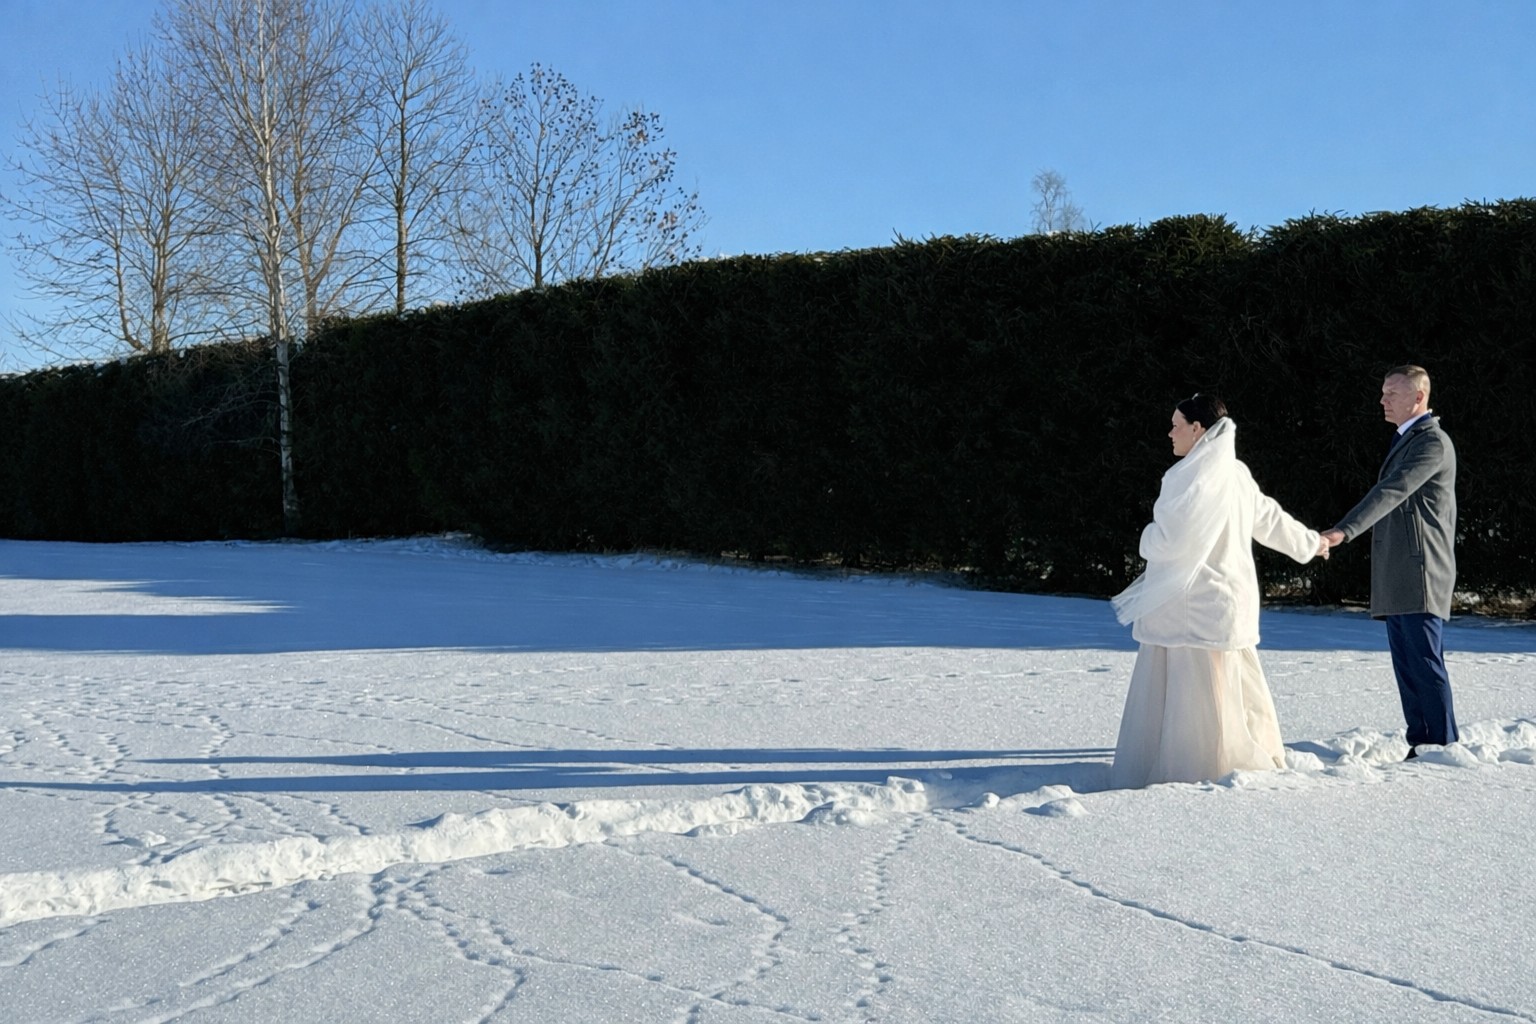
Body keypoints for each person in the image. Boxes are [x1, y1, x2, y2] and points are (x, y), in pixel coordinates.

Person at [1109, 394, 1330, 788]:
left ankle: (1185, 765)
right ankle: (1233, 755)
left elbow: (1170, 539)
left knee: (1185, 689)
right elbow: (1269, 519)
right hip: (1228, 601)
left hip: (1187, 607)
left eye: (1177, 423)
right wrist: (1309, 543)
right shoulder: (1236, 473)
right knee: (1228, 685)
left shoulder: (1184, 477)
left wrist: (1144, 540)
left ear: (1198, 430)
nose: (1170, 431)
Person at [1321, 365, 1457, 759]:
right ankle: (1422, 741)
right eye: (1383, 392)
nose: (1383, 400)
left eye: (1392, 393)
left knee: (1425, 664)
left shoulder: (1431, 443)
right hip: (1399, 574)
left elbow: (1392, 491)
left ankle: (1442, 745)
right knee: (1408, 666)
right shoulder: (1407, 440)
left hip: (1420, 572)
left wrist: (1343, 531)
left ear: (1419, 398)